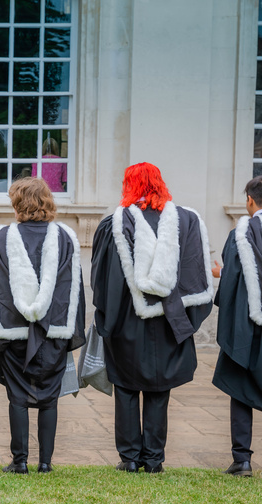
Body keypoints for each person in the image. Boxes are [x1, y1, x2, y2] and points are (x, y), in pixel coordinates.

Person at [91, 162, 212, 474]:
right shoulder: (186, 220)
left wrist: (108, 321)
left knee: (127, 389)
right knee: (159, 391)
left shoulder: (114, 224)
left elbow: (104, 280)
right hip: (171, 322)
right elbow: (196, 273)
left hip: (128, 320)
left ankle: (130, 458)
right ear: (159, 182)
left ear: (129, 185)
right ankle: (154, 459)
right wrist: (187, 319)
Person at [0, 177, 86, 474]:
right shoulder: (65, 236)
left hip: (14, 329)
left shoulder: (2, 236)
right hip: (54, 328)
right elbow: (74, 286)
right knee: (49, 398)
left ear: (17, 202)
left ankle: (20, 462)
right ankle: (45, 463)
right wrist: (69, 330)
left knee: (17, 396)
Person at [211, 176, 262, 477]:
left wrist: (222, 274)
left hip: (248, 327)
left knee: (241, 389)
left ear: (250, 200)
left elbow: (233, 280)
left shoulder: (241, 233)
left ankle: (242, 459)